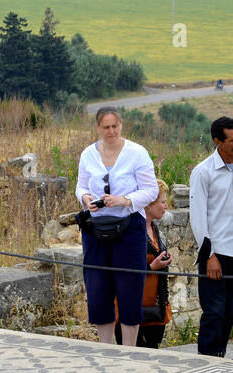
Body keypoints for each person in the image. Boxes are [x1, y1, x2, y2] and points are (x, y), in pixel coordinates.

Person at [75, 107, 159, 345]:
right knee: (98, 286)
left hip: (129, 227)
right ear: (97, 128)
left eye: (114, 126)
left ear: (121, 125)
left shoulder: (137, 153)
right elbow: (80, 186)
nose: (111, 131)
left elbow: (151, 190)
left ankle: (129, 350)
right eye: (106, 127)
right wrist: (86, 199)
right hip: (96, 229)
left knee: (130, 287)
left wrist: (125, 200)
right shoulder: (87, 154)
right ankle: (106, 346)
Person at [189, 116, 233, 358]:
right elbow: (198, 218)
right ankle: (206, 363)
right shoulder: (202, 173)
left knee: (229, 312)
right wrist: (209, 255)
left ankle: (220, 358)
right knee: (214, 312)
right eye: (232, 140)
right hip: (217, 254)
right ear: (217, 141)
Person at [114, 178, 175, 348]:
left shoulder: (154, 229)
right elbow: (121, 269)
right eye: (162, 202)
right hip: (132, 306)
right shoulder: (130, 230)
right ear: (148, 204)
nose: (166, 206)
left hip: (155, 309)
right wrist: (151, 267)